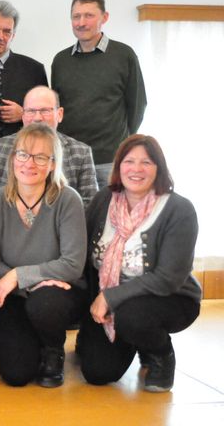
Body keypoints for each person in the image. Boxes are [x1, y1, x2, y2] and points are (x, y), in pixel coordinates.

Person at [78, 135, 200, 393]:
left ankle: (160, 353)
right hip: (109, 295)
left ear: (159, 168)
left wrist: (109, 297)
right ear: (118, 166)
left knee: (133, 318)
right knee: (98, 373)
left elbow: (168, 278)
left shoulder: (179, 209)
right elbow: (82, 252)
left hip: (167, 298)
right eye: (129, 161)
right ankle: (125, 339)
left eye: (146, 162)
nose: (136, 169)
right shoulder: (104, 200)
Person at [0, 123, 86, 388]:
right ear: (12, 158)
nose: (29, 163)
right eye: (23, 154)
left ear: (53, 164)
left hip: (56, 295)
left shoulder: (68, 200)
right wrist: (23, 283)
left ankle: (53, 350)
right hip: (15, 296)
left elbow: (72, 264)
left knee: (45, 302)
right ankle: (32, 343)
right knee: (15, 374)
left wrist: (19, 275)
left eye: (40, 157)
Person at [51, 0, 147, 188]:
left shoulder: (124, 55)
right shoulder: (60, 60)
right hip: (69, 160)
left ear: (104, 17)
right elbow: (57, 110)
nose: (81, 22)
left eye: (89, 15)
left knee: (112, 208)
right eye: (76, 16)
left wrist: (121, 143)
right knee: (70, 208)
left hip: (110, 161)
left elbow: (137, 104)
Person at [0, 86, 97, 207]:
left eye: (45, 111)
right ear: (23, 115)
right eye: (31, 111)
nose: (37, 118)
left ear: (59, 114)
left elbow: (90, 206)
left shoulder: (81, 153)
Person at [0, 0, 48, 139]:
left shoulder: (34, 70)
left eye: (7, 31)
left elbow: (47, 116)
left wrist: (24, 114)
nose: (0, 37)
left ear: (13, 35)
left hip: (19, 148)